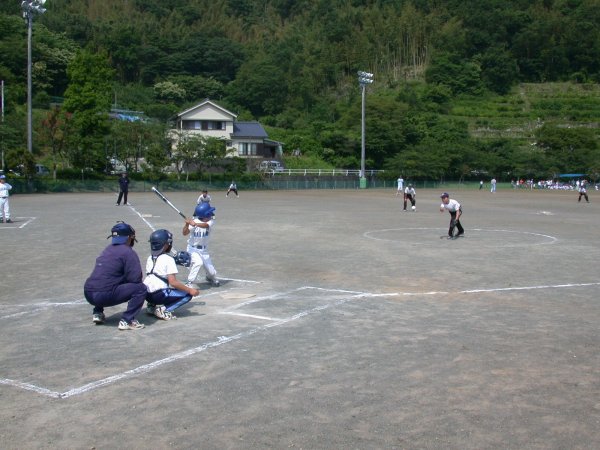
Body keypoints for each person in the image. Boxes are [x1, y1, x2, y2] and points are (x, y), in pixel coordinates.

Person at [84, 222, 147, 330]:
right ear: (129, 237)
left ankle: (98, 313)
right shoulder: (128, 252)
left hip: (88, 292)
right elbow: (135, 279)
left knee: (106, 280)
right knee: (140, 288)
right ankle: (127, 320)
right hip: (104, 295)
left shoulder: (107, 249)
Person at [143, 229, 200, 320]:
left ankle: (151, 307)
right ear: (165, 245)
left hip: (146, 294)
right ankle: (163, 310)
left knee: (157, 282)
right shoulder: (168, 259)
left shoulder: (150, 257)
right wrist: (190, 290)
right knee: (187, 295)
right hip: (159, 295)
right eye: (168, 242)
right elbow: (173, 282)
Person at [183, 203, 220, 287]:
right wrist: (187, 224)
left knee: (212, 272)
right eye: (209, 213)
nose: (211, 214)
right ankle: (189, 282)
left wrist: (195, 224)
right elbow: (184, 233)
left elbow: (205, 225)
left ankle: (209, 277)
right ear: (204, 215)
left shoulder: (210, 221)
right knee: (198, 263)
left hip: (204, 250)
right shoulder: (194, 222)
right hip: (192, 249)